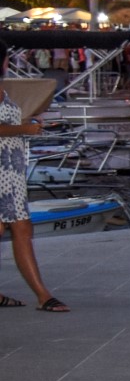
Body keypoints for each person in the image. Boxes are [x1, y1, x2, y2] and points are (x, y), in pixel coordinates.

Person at [0, 80, 65, 311]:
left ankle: (43, 295)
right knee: (14, 228)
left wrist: (26, 123)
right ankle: (43, 295)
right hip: (2, 171)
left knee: (23, 228)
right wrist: (24, 129)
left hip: (11, 171)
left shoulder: (2, 88)